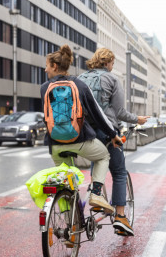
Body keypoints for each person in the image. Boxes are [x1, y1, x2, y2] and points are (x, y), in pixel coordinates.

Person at [41, 44, 122, 213]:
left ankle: (71, 229)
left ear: (54, 66)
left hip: (55, 144)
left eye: (47, 65)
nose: (45, 69)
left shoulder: (44, 88)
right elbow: (98, 114)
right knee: (103, 156)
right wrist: (113, 135)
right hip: (80, 140)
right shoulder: (80, 85)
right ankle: (96, 194)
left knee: (66, 183)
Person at [79, 48, 148, 236]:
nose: (112, 66)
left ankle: (98, 200)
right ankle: (120, 216)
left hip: (84, 132)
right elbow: (119, 112)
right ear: (108, 62)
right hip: (107, 131)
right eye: (112, 63)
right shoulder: (112, 79)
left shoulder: (81, 78)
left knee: (97, 162)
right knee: (119, 172)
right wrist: (137, 119)